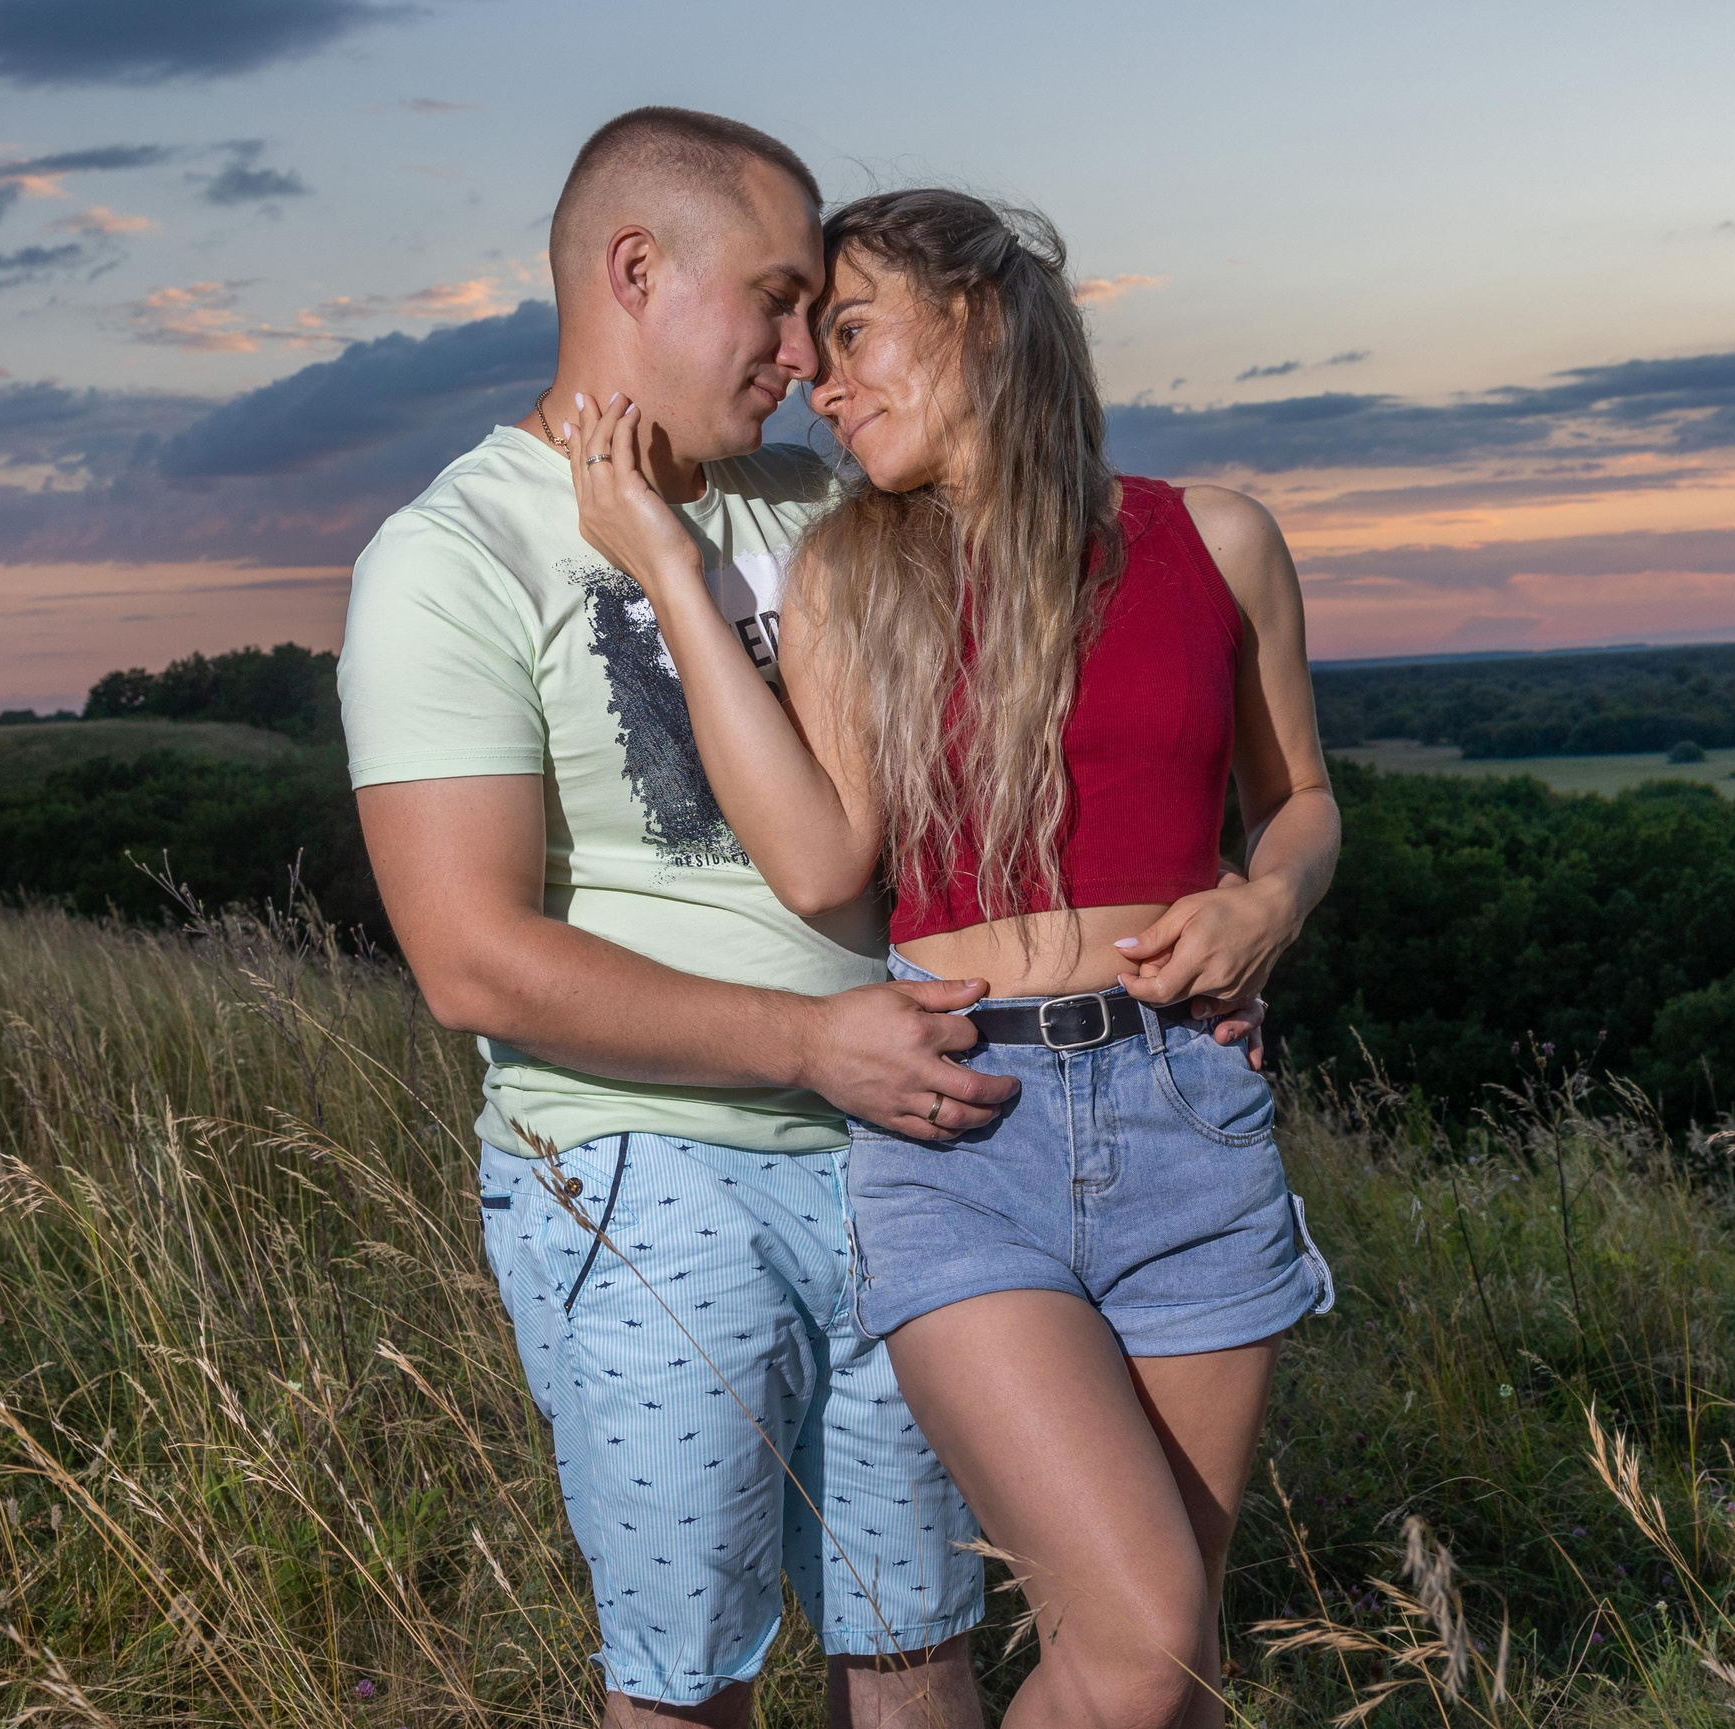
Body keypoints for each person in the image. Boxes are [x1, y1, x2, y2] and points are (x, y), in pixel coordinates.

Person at [565, 187, 1341, 1729]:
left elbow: (1303, 802)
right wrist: (666, 567)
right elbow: (822, 863)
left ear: (980, 313)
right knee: (1144, 1632)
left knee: (1164, 1673)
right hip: (966, 1131)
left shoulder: (1220, 539)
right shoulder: (853, 572)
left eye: (848, 332)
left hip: (1188, 1114)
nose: (821, 381)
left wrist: (1268, 907)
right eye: (805, 348)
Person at [339, 109, 1023, 1728]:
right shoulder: (447, 557)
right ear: (636, 269)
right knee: (684, 1676)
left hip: (902, 1161)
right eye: (778, 299)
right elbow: (469, 955)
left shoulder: (812, 501)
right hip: (647, 1182)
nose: (804, 352)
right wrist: (807, 1041)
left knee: (919, 1635)